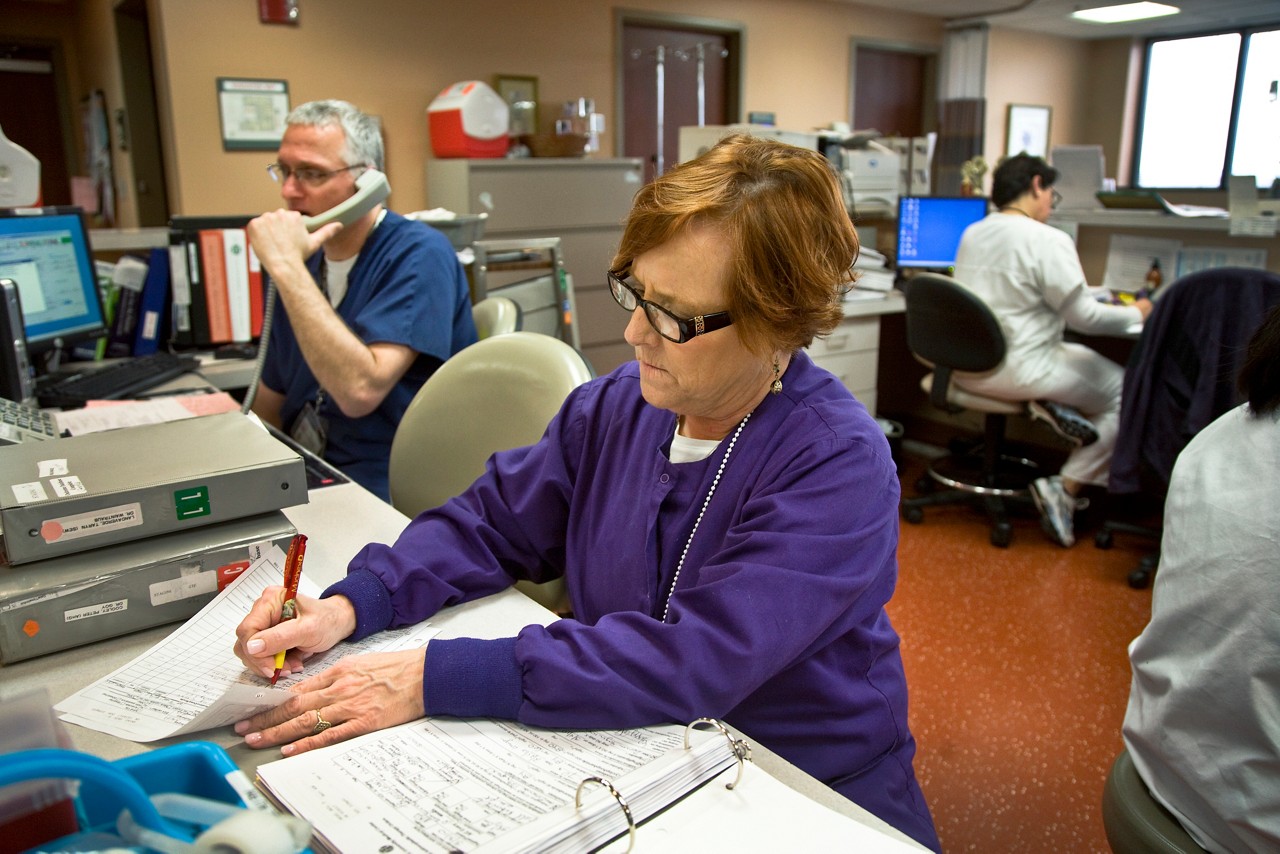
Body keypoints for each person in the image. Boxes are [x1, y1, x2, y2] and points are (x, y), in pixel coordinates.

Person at [232, 134, 940, 851]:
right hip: (634, 759)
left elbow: (696, 657)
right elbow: (489, 523)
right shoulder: (615, 408)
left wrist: (432, 676)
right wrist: (352, 604)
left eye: (673, 315)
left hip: (798, 788)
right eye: (635, 291)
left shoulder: (837, 463)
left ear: (777, 322)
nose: (633, 332)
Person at [246, 99, 476, 501]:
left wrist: (287, 270)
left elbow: (358, 392)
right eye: (284, 171)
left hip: (389, 481)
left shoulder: (419, 254)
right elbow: (269, 404)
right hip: (308, 471)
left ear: (368, 183)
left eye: (311, 174)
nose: (288, 191)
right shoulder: (304, 263)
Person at [1122, 304, 1280, 853]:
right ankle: (1071, 483)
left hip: (1164, 766)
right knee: (1107, 395)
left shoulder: (1219, 437)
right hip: (1246, 821)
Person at [951, 153, 1153, 547]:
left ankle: (1052, 406)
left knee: (1084, 370)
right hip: (1025, 368)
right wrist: (1137, 311)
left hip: (968, 366)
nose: (1049, 205)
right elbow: (1086, 320)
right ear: (1037, 184)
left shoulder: (973, 232)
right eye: (1050, 195)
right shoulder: (1049, 239)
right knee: (1129, 392)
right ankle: (1067, 484)